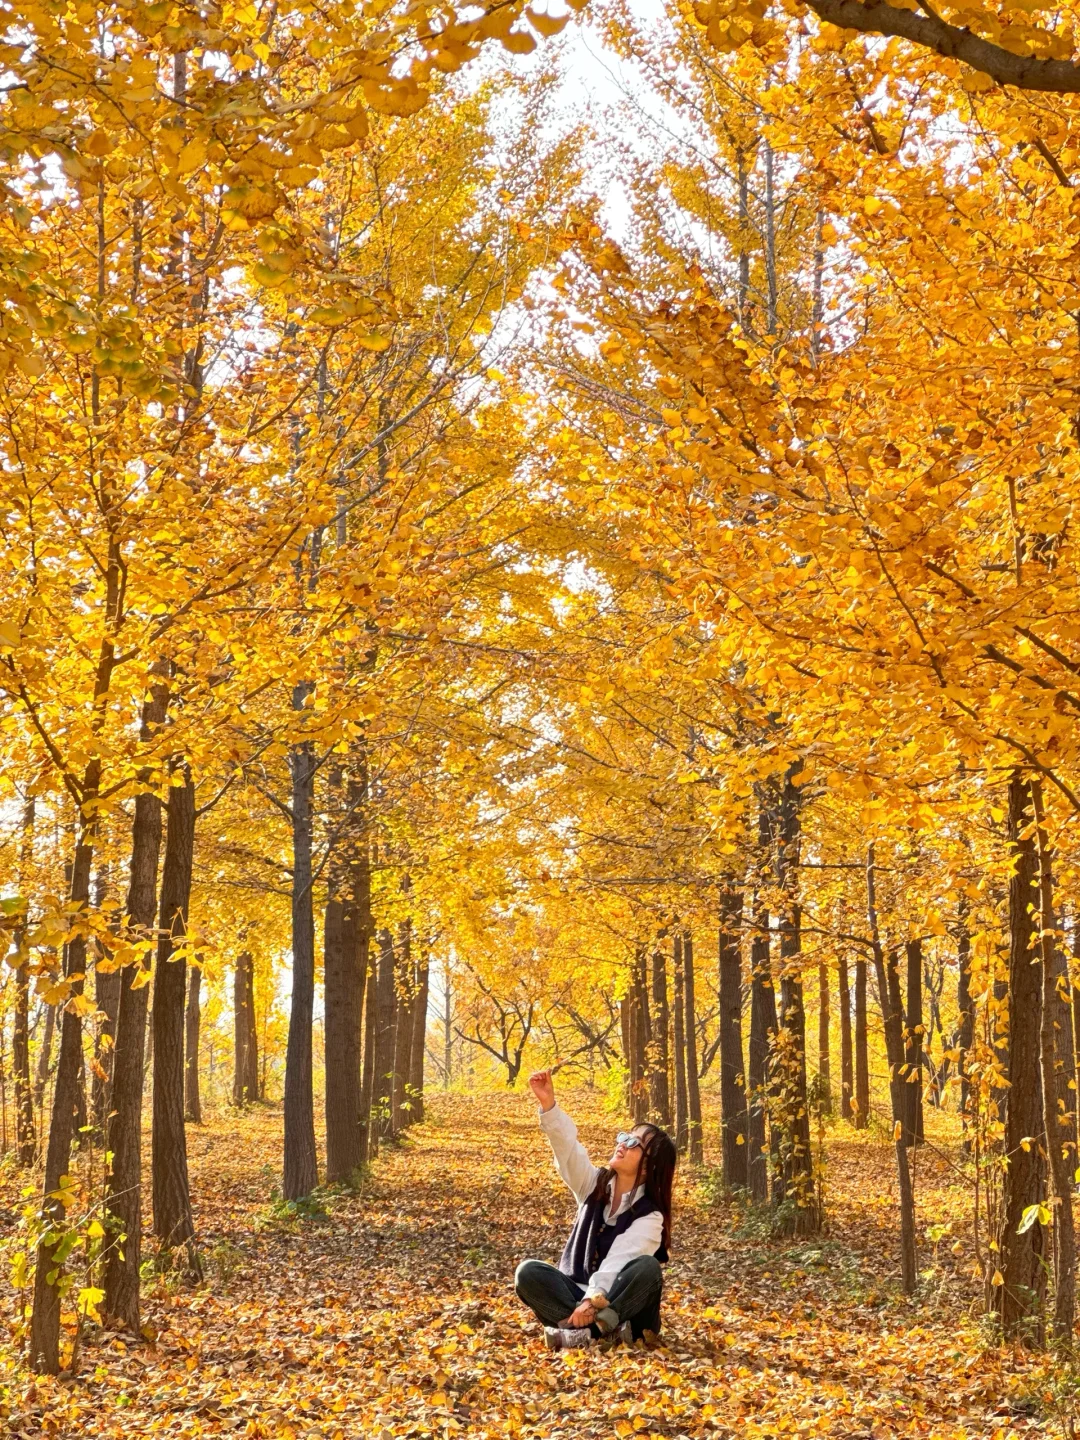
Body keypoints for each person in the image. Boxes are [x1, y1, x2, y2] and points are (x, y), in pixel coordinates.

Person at [514, 1068, 677, 1351]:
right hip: (577, 1296)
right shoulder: (594, 1184)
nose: (622, 1144)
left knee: (647, 1268)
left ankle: (588, 1332)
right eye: (624, 1136)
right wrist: (548, 1105)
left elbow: (620, 1258)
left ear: (649, 1167)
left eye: (633, 1143)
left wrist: (592, 1301)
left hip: (627, 1306)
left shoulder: (650, 1216)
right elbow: (568, 1152)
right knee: (527, 1273)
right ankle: (596, 1335)